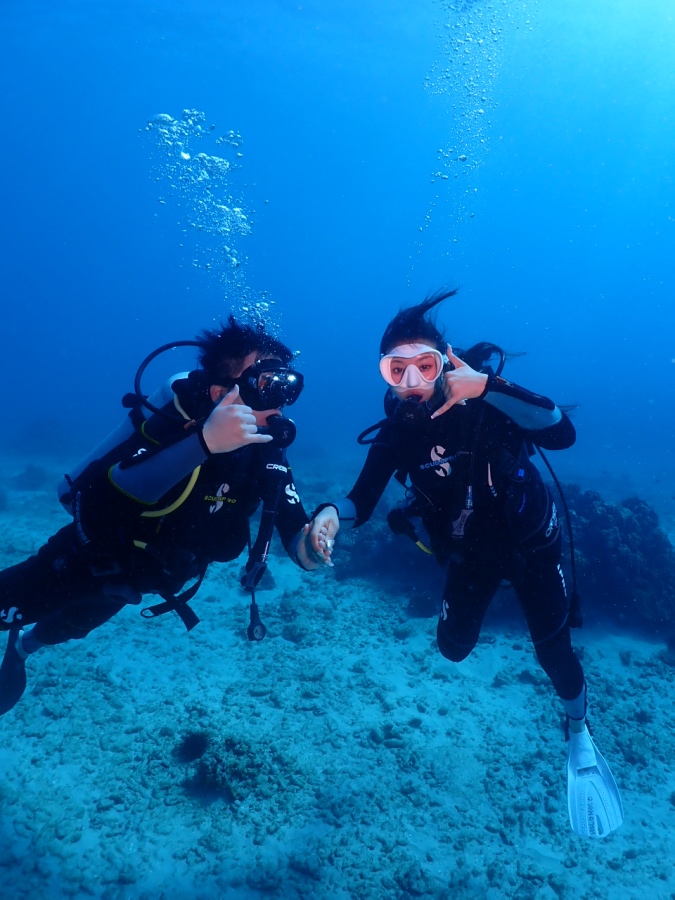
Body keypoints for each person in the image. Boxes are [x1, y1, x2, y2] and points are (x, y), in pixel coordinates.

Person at [308, 289, 623, 838]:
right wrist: (333, 514)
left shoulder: (486, 405)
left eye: (425, 366)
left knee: (554, 655)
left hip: (531, 544)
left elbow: (562, 433)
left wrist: (489, 387)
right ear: (385, 375)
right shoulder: (399, 433)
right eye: (396, 370)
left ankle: (579, 733)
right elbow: (362, 498)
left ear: (445, 363)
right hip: (473, 554)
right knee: (452, 649)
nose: (412, 381)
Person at [0, 315, 330, 715]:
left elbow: (294, 527)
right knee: (20, 602)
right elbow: (102, 498)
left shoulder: (264, 449)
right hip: (89, 559)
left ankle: (22, 648)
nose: (277, 402)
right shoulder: (173, 426)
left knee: (69, 627)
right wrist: (204, 444)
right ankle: (19, 630)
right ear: (219, 391)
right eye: (264, 384)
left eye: (283, 387)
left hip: (144, 580)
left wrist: (311, 540)